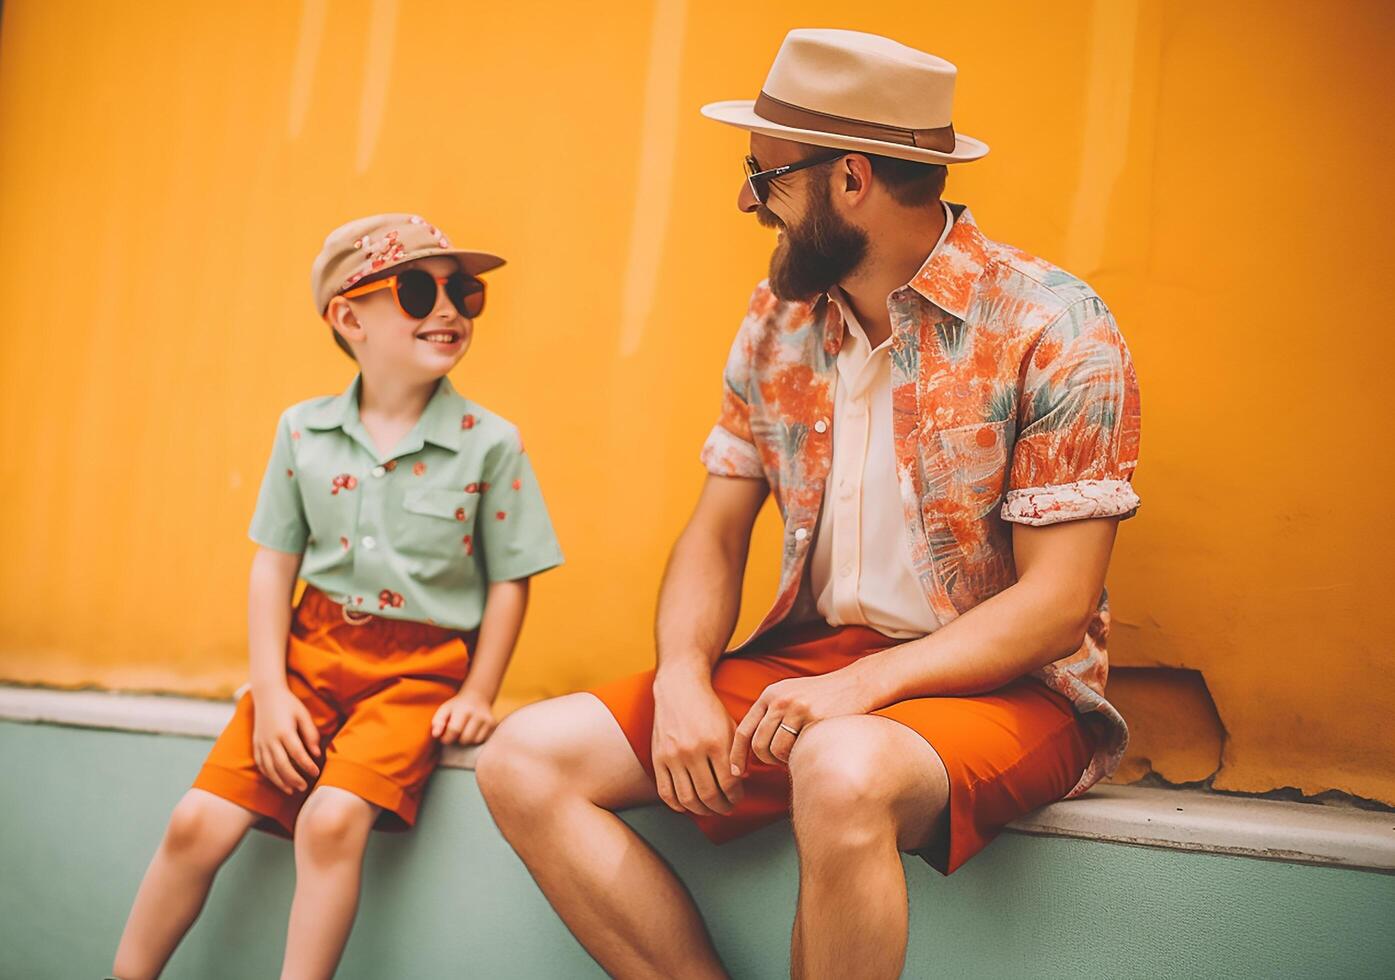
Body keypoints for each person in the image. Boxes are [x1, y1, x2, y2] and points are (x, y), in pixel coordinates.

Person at [476, 28, 1141, 979]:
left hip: (1008, 688)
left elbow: (1057, 604)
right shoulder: (777, 319)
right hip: (814, 663)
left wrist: (858, 693)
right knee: (520, 761)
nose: (747, 197)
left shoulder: (1053, 325)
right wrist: (679, 681)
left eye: (766, 172)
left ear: (852, 179)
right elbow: (714, 530)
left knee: (838, 771)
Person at [111, 213, 563, 980]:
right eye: (418, 290)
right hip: (305, 657)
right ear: (349, 317)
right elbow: (273, 566)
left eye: (464, 292)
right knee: (195, 822)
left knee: (330, 820)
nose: (448, 309)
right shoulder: (302, 432)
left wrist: (480, 691)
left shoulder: (492, 441)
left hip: (416, 673)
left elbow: (509, 575)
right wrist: (269, 687)